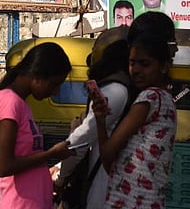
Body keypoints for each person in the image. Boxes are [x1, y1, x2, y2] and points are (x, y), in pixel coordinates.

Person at [0, 41, 74, 208]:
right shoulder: (9, 102)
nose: (55, 92)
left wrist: (44, 174)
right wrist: (50, 154)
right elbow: (5, 166)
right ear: (37, 76)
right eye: (54, 84)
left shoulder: (21, 104)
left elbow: (26, 160)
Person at [93, 33, 176, 208]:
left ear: (164, 66)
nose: (136, 70)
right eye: (132, 63)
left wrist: (100, 120)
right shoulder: (167, 100)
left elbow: (108, 153)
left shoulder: (149, 98)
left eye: (145, 64)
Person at [54, 36, 132, 209]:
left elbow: (83, 138)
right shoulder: (118, 88)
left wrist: (60, 177)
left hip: (103, 184)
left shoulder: (115, 90)